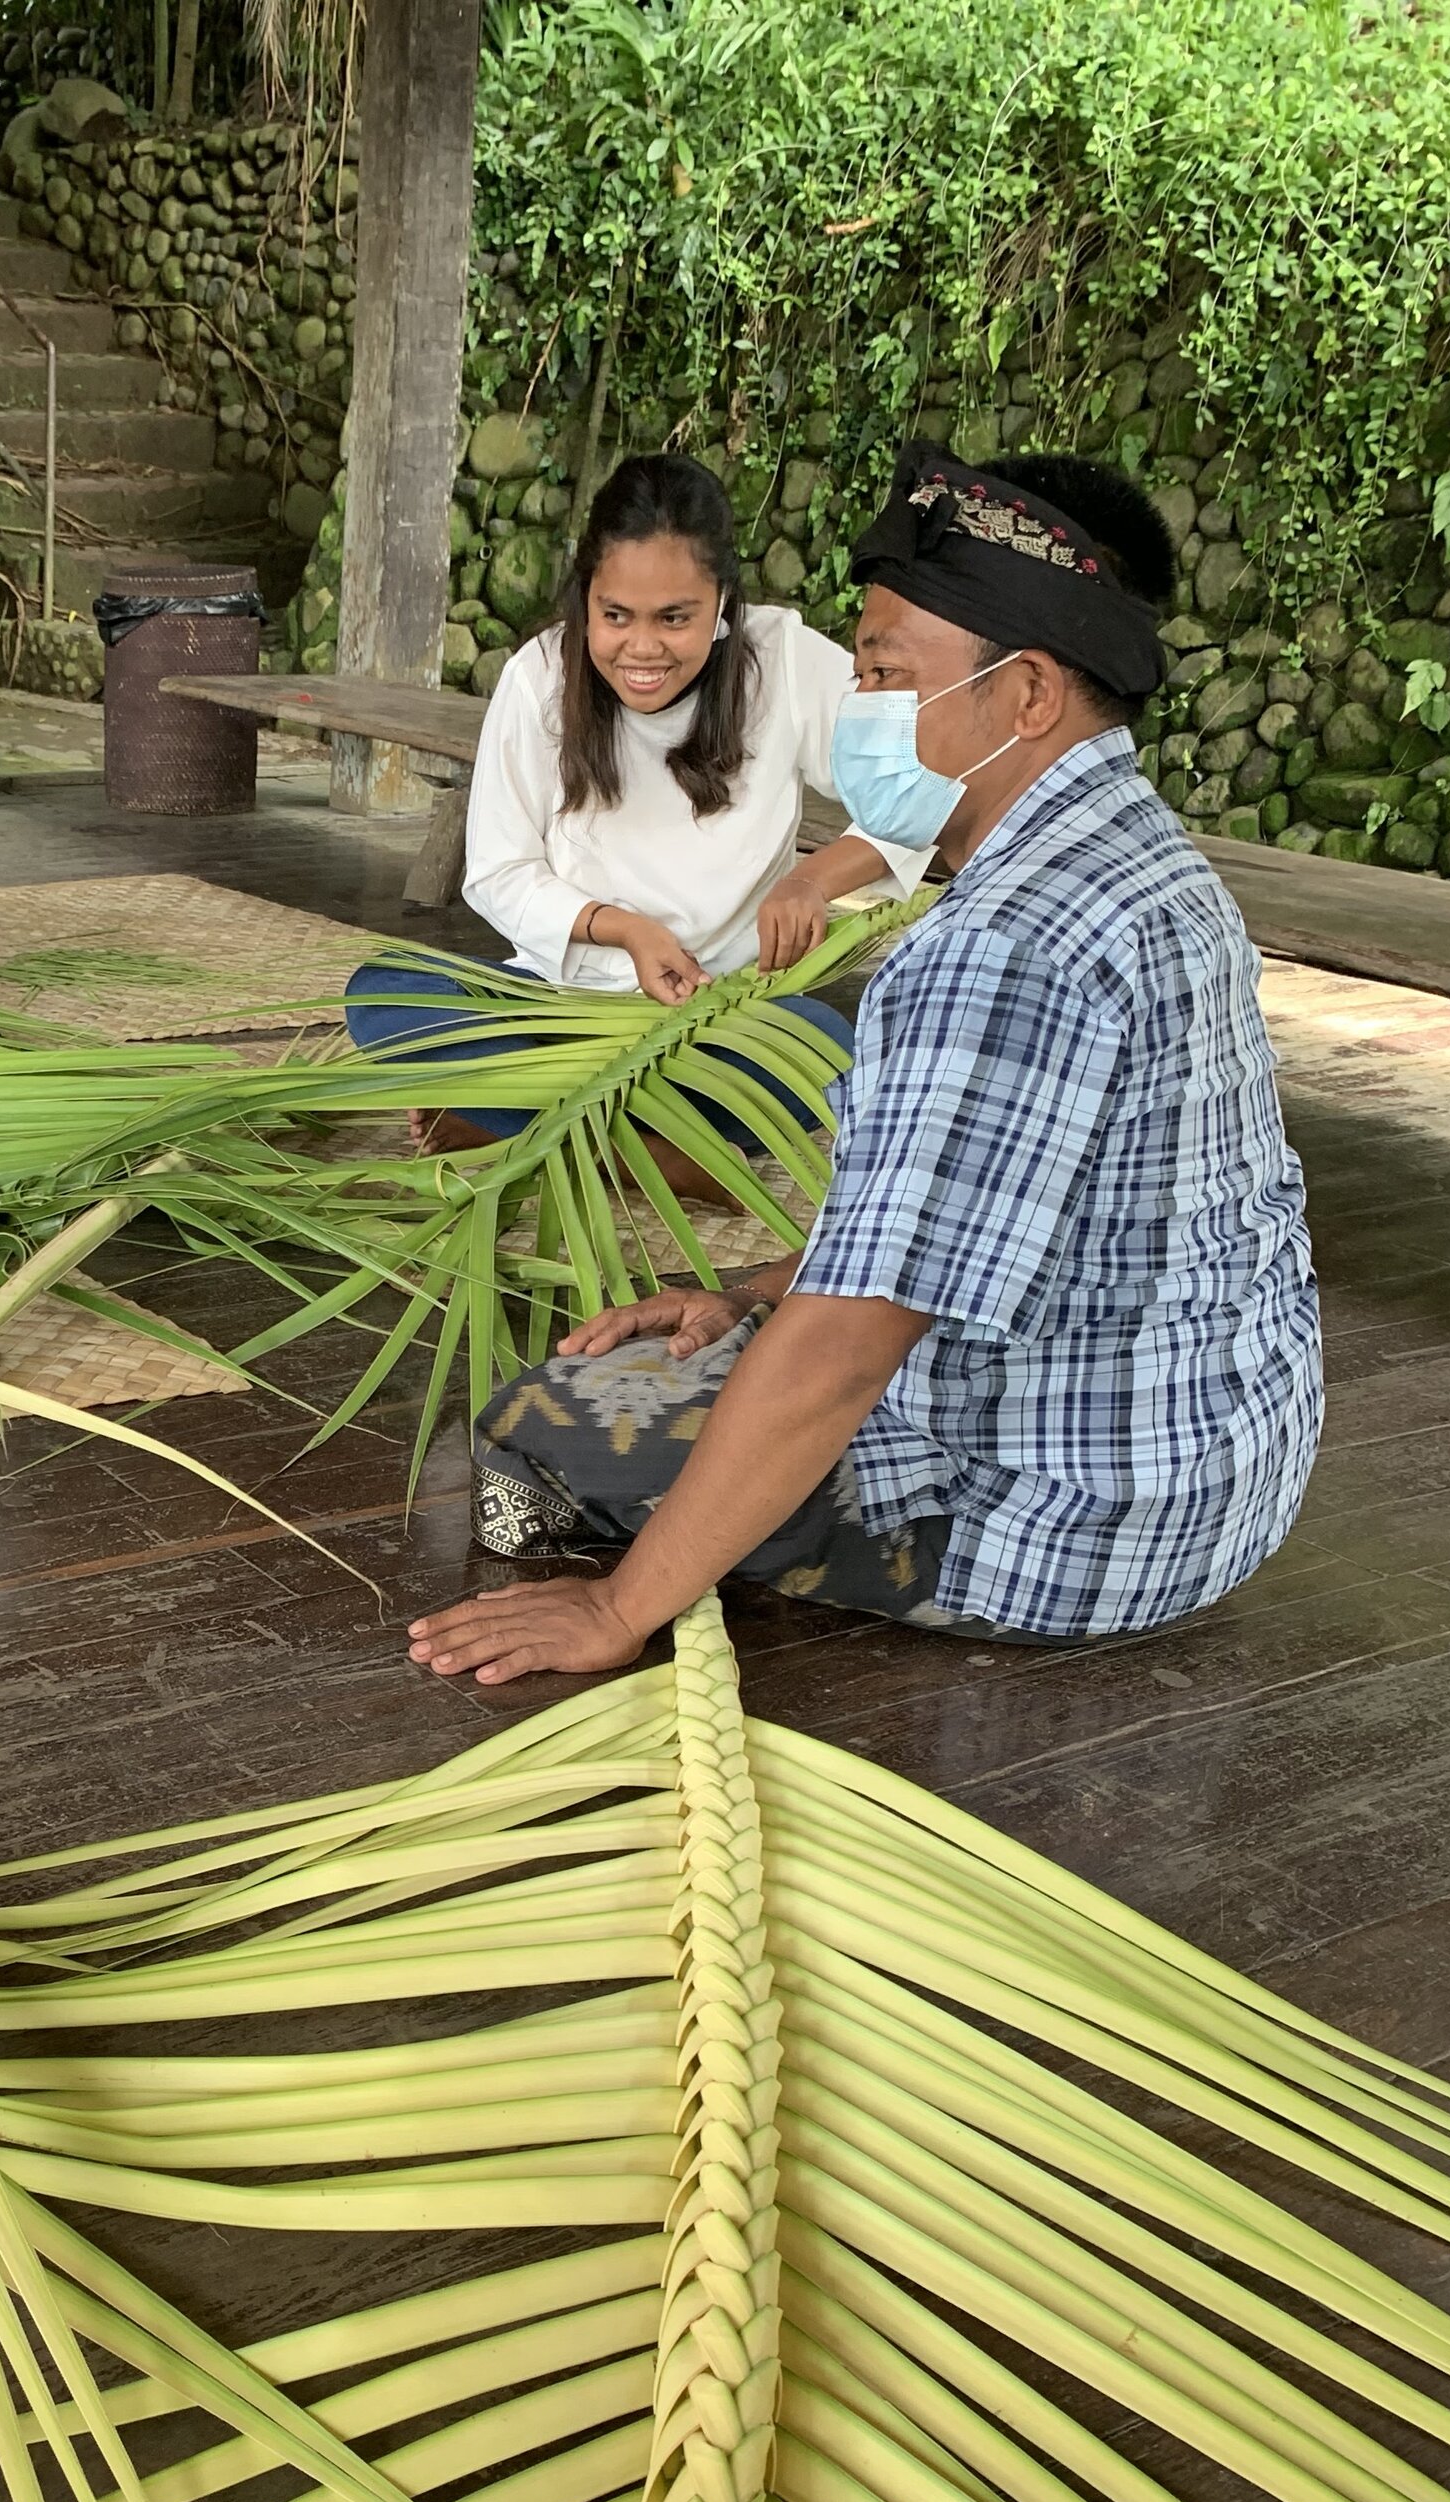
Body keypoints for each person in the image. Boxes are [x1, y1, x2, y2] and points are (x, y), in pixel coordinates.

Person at [409, 443, 1321, 1677]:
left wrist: (618, 1611)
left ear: (1029, 694)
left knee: (539, 1422)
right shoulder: (1153, 863)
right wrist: (751, 1294)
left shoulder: (996, 944)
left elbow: (846, 1348)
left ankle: (688, 1565)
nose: (865, 710)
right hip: (1215, 1481)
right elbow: (991, 1212)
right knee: (725, 1335)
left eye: (888, 673)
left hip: (1054, 1533)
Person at [344, 453, 933, 1161]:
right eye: (615, 615)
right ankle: (656, 1154)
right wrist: (624, 931)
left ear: (721, 604)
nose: (642, 648)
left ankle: (527, 1129)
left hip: (715, 1018)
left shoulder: (782, 661)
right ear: (586, 595)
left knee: (829, 1050)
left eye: (675, 618)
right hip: (556, 1008)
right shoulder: (540, 678)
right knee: (384, 989)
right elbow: (499, 872)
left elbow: (919, 789)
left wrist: (814, 880)